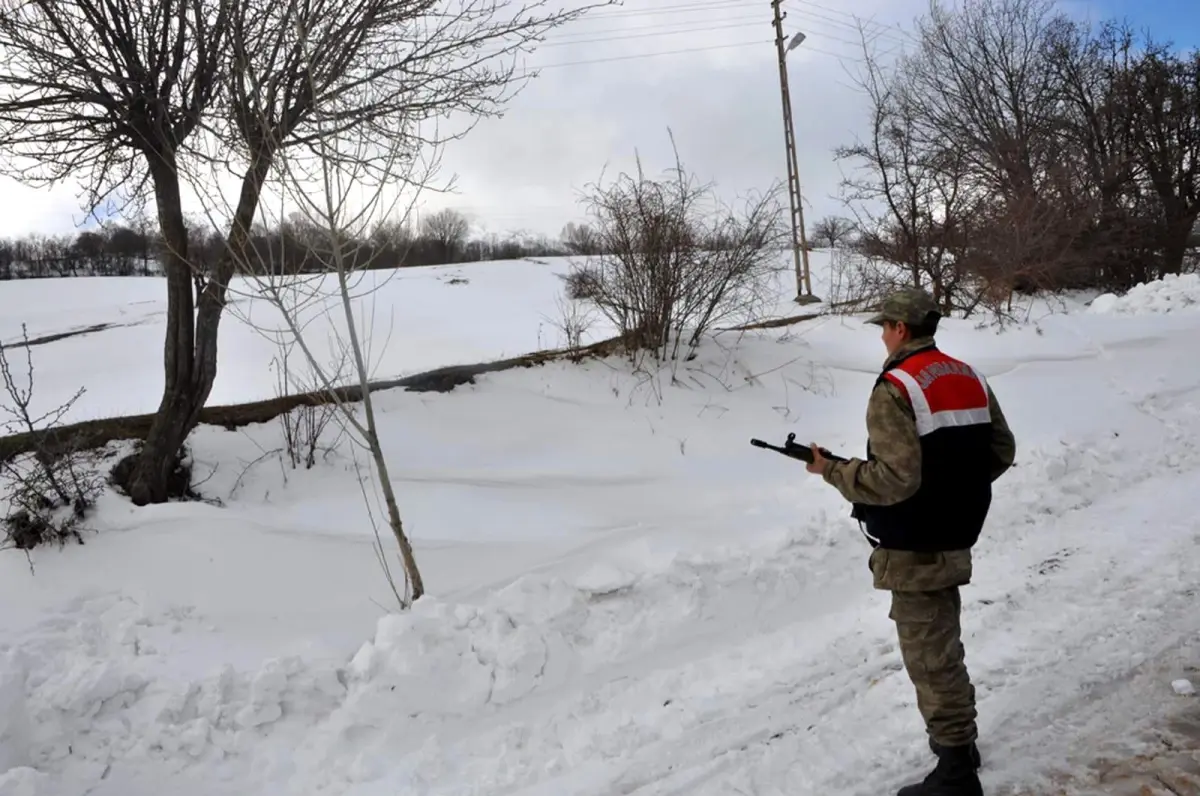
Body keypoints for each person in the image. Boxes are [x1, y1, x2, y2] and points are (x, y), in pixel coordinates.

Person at [805, 287, 1016, 796]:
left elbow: (894, 479)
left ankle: (956, 773)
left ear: (900, 328)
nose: (881, 336)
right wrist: (956, 491)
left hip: (916, 539)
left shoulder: (896, 385)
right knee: (941, 642)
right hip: (954, 530)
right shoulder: (968, 376)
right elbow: (1002, 450)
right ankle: (962, 746)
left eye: (883, 327)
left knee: (930, 655)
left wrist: (831, 469)